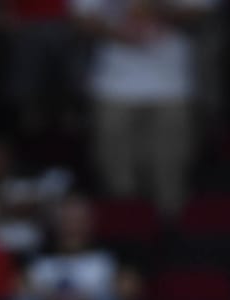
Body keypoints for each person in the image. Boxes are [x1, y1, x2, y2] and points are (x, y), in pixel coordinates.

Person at [73, 0, 219, 217]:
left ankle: (170, 232)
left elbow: (201, 11)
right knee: (116, 172)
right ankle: (128, 229)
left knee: (170, 172)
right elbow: (80, 17)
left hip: (171, 85)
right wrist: (116, 32)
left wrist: (158, 7)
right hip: (114, 85)